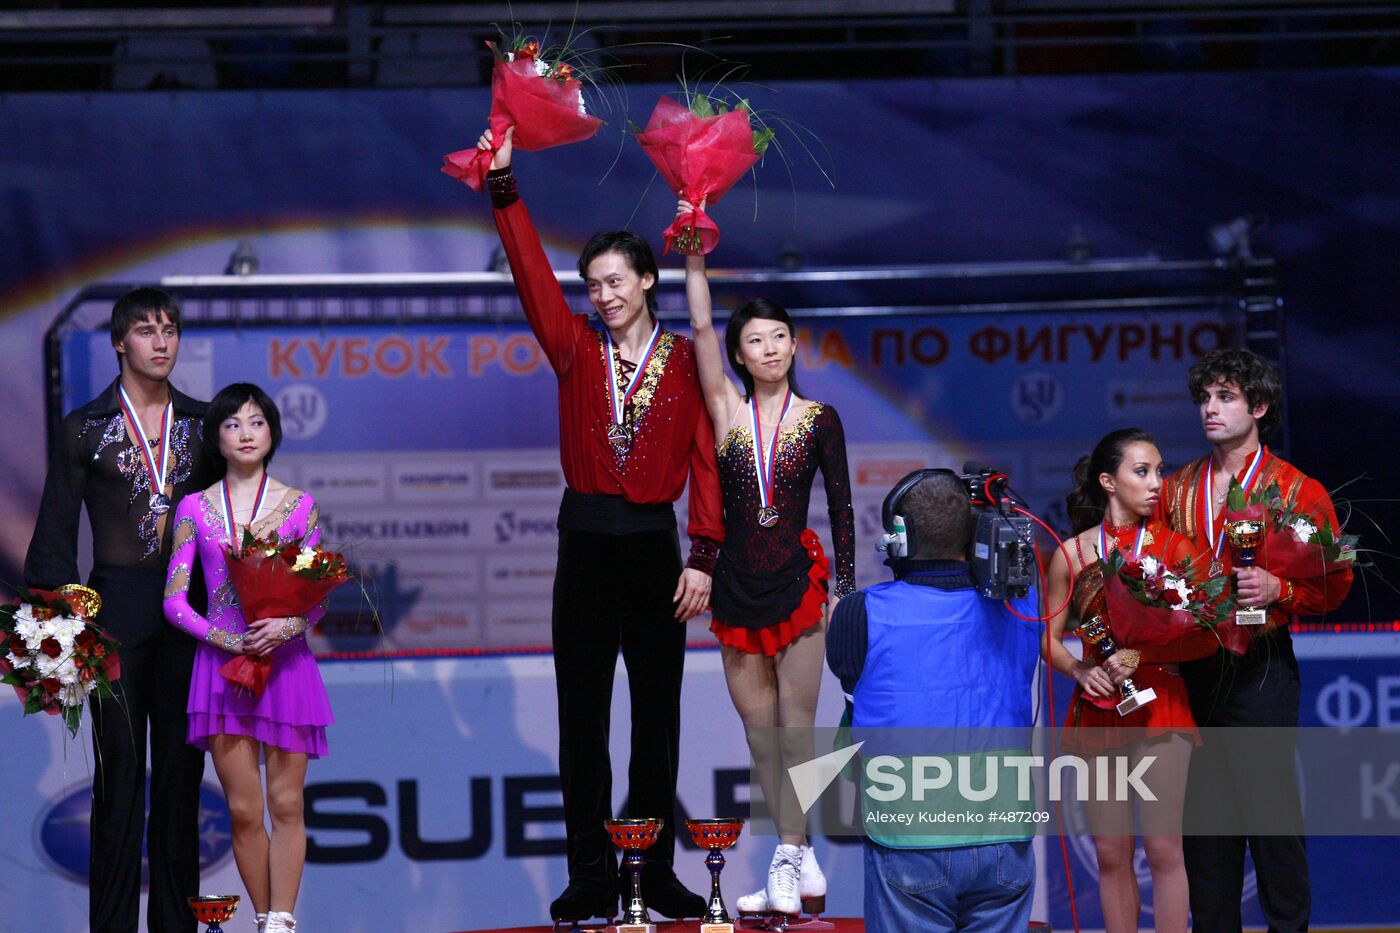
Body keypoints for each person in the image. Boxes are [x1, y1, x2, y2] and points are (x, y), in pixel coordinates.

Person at [471, 126, 724, 923]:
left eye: (616, 280)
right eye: (594, 284)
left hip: (657, 547)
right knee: (582, 718)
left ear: (648, 280)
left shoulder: (685, 361)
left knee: (657, 718)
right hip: (583, 543)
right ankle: (590, 874)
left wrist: (705, 556)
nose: (603, 294)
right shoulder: (572, 346)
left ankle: (652, 871)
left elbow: (711, 458)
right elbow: (528, 274)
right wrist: (505, 185)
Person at [681, 211, 854, 917]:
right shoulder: (726, 410)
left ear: (790, 346)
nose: (771, 346)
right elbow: (696, 330)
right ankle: (799, 857)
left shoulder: (819, 418)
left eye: (780, 335)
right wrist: (694, 254)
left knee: (797, 729)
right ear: (741, 354)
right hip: (735, 589)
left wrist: (844, 588)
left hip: (800, 584)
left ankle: (787, 855)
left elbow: (844, 505)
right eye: (756, 339)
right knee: (760, 740)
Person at [25, 287, 213, 932]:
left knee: (183, 785)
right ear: (118, 342)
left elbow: (236, 521)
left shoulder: (204, 424)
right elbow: (53, 537)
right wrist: (62, 633)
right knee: (119, 785)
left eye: (170, 329)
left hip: (190, 620)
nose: (161, 341)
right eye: (146, 330)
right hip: (116, 621)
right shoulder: (86, 426)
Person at [1156, 349, 1352, 932]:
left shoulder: (1298, 490)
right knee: (1206, 826)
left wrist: (1280, 587)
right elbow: (1154, 566)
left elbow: (1338, 575)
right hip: (1194, 670)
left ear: (1259, 406)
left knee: (1270, 818)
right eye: (1205, 398)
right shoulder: (1178, 488)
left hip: (1262, 667)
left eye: (1226, 397)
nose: (1209, 410)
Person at [827, 470, 1042, 932]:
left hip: (911, 839)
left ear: (898, 540)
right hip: (1005, 839)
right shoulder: (1024, 602)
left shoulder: (858, 613)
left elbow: (852, 703)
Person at [163, 383, 332, 933]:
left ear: (272, 433)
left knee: (286, 804)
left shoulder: (299, 507)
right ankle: (261, 917)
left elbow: (319, 600)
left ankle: (282, 920)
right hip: (222, 670)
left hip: (286, 667)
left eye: (256, 422)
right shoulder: (194, 509)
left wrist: (289, 625)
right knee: (242, 809)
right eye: (233, 424)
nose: (245, 433)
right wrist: (229, 640)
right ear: (217, 437)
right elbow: (173, 600)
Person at [1045, 428, 1214, 933]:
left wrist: (1148, 649)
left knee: (1165, 851)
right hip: (1101, 710)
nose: (1157, 482)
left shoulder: (1176, 548)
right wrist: (1080, 668)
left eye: (1159, 471)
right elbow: (1047, 638)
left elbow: (1209, 630)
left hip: (1161, 703)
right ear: (1108, 482)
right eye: (1142, 471)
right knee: (1112, 855)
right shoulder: (1072, 554)